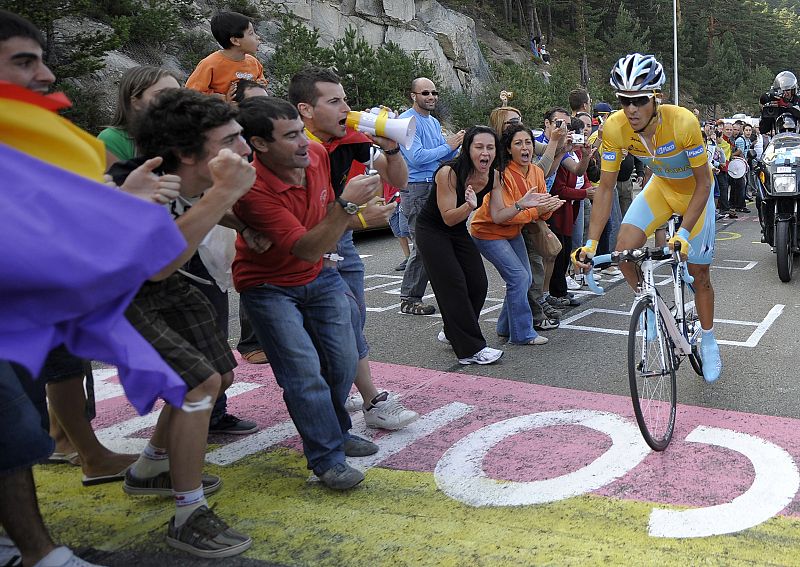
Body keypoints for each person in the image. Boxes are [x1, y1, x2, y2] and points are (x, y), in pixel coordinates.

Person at [111, 89, 259, 557]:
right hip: (116, 293)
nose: (243, 150)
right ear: (187, 153)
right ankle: (188, 514)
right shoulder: (140, 182)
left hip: (160, 285)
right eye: (230, 140)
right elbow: (157, 263)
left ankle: (152, 466)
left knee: (220, 374)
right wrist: (222, 194)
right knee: (198, 384)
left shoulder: (189, 176)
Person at [233, 96, 384, 489]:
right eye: (290, 136)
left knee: (342, 360)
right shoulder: (252, 189)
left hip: (318, 275)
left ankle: (336, 430)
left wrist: (352, 209)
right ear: (260, 145)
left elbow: (324, 227)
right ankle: (327, 457)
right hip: (268, 287)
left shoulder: (315, 153)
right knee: (303, 374)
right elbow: (308, 246)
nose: (303, 142)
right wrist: (350, 205)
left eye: (301, 132)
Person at [573, 53, 722, 383]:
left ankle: (709, 340)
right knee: (623, 249)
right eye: (624, 101)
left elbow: (704, 182)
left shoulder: (682, 122)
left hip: (695, 194)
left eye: (639, 100)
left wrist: (683, 231)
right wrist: (590, 242)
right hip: (660, 189)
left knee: (699, 273)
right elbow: (607, 187)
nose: (631, 109)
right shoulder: (614, 127)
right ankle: (649, 304)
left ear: (657, 98)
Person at [287, 67, 418, 430]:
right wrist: (357, 217)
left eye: (345, 98)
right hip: (307, 241)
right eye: (335, 101)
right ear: (306, 111)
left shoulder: (349, 139)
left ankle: (360, 395)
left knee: (353, 317)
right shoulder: (290, 146)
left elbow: (398, 179)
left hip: (339, 237)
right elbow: (300, 218)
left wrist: (390, 146)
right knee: (328, 322)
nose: (347, 106)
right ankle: (354, 399)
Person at [417, 126, 546, 364]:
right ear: (468, 149)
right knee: (454, 284)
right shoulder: (449, 173)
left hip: (456, 231)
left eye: (490, 147)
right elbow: (447, 217)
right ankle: (470, 349)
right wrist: (469, 206)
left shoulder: (494, 175)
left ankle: (451, 331)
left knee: (478, 283)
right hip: (433, 231)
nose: (485, 153)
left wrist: (521, 204)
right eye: (479, 147)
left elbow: (498, 216)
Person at [470, 124, 562, 344]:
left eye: (528, 142)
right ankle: (522, 333)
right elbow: (505, 215)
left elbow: (539, 213)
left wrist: (548, 209)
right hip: (488, 231)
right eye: (518, 143)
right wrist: (536, 211)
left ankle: (505, 327)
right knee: (519, 277)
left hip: (513, 231)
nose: (525, 148)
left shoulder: (537, 171)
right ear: (509, 149)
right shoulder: (501, 174)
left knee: (524, 278)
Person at [398, 77, 464, 315]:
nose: (431, 97)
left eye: (434, 93)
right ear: (413, 95)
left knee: (437, 242)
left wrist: (457, 144)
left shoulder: (433, 122)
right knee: (424, 245)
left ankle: (421, 293)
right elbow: (417, 157)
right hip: (416, 188)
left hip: (433, 184)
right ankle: (409, 298)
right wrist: (448, 145)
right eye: (425, 93)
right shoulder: (406, 121)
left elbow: (437, 157)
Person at [97, 66, 180, 164]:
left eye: (178, 95)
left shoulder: (181, 139)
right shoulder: (112, 139)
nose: (176, 101)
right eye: (162, 95)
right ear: (135, 102)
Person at [185, 11, 267, 98]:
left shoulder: (253, 62)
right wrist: (223, 98)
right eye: (251, 33)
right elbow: (192, 93)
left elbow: (261, 79)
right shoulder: (210, 64)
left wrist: (260, 84)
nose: (257, 37)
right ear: (235, 41)